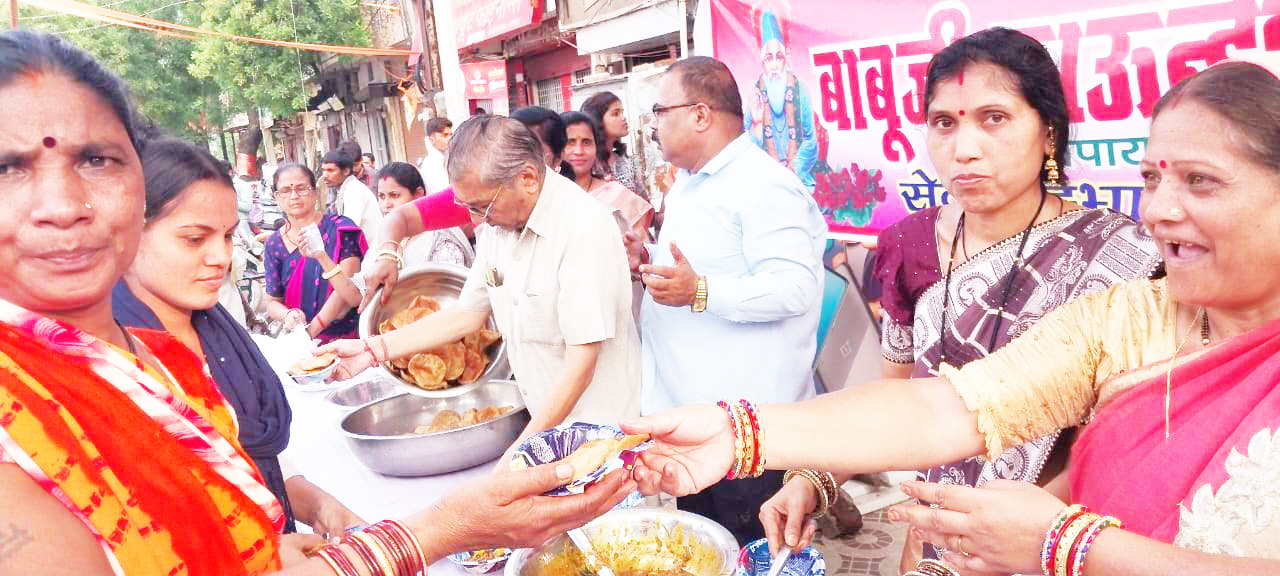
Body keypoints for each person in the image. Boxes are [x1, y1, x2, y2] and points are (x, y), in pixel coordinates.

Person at [0, 29, 635, 575]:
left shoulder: (157, 356)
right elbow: (469, 310)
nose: (62, 207)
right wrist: (441, 527)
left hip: (588, 431)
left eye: (95, 160)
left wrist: (274, 539)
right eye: (10, 167)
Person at [623, 56, 1280, 576]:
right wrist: (741, 435)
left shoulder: (1118, 254)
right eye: (1151, 181)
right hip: (957, 534)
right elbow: (949, 406)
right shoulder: (1130, 316)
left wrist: (1067, 543)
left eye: (1199, 182)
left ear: (1047, 132)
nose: (1160, 210)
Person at [759, 27, 1162, 571]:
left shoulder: (1121, 256)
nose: (964, 150)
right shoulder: (909, 244)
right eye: (944, 123)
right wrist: (817, 473)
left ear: (1049, 132)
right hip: (932, 535)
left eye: (994, 118)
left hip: (1048, 543)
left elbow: (1123, 442)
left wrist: (1034, 528)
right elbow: (897, 393)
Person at [323, 115, 642, 452]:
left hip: (602, 435)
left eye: (481, 206)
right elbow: (467, 313)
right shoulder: (499, 220)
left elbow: (581, 363)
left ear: (528, 178)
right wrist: (372, 350)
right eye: (468, 206)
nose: (475, 219)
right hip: (547, 423)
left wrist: (524, 450)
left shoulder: (583, 229)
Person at [112, 136, 363, 537]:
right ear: (129, 231)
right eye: (195, 239)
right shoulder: (115, 363)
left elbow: (253, 460)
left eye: (227, 236)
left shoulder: (218, 329)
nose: (221, 257)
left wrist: (319, 507)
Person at [636, 55, 827, 544]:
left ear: (701, 114)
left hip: (751, 440)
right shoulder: (689, 183)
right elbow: (695, 265)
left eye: (660, 111)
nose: (654, 125)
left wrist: (699, 291)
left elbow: (794, 286)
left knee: (753, 553)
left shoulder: (763, 184)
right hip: (700, 428)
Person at [358, 107, 595, 312]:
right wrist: (388, 255)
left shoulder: (577, 222)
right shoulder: (486, 204)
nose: (478, 217)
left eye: (532, 152)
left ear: (555, 160)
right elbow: (401, 217)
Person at [262, 163, 366, 342]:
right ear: (276, 197)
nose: (294, 196)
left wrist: (312, 332)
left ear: (315, 192)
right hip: (301, 339)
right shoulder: (274, 243)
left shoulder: (340, 228)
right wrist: (288, 314)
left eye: (301, 188)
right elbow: (272, 301)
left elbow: (348, 291)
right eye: (286, 190)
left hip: (347, 337)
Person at [744, 4, 818, 189]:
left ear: (786, 59)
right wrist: (757, 123)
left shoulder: (801, 91)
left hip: (798, 181)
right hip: (766, 184)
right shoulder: (754, 96)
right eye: (769, 58)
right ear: (762, 61)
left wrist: (792, 171)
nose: (775, 65)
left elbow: (811, 141)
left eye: (779, 57)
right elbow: (743, 146)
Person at [561, 111, 653, 243]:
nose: (579, 151)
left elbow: (642, 252)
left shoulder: (618, 196)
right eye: (570, 142)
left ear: (596, 147)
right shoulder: (547, 197)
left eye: (586, 142)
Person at [374, 161, 473, 267]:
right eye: (381, 196)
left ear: (418, 194)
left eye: (394, 195)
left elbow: (447, 281)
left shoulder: (440, 241)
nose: (386, 204)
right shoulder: (385, 239)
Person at [581, 91, 645, 198]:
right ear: (598, 121)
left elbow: (644, 204)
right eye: (616, 113)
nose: (623, 118)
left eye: (622, 112)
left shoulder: (626, 162)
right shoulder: (587, 165)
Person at [320, 148, 382, 243]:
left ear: (346, 171)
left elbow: (348, 229)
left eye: (330, 170)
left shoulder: (353, 189)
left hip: (371, 252)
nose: (325, 175)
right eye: (323, 170)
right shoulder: (345, 188)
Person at [512, 106, 576, 179]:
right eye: (512, 146)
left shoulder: (568, 190)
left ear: (558, 158)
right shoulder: (499, 188)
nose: (517, 155)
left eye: (530, 147)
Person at [418, 116, 453, 194]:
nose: (450, 138)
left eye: (451, 135)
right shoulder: (432, 163)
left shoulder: (445, 158)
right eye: (445, 135)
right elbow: (444, 191)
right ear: (432, 140)